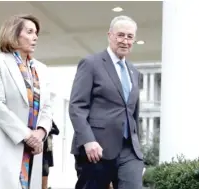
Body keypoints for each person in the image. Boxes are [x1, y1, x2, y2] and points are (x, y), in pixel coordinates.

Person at [69, 15, 144, 189]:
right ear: (109, 35)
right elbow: (77, 106)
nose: (125, 41)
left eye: (130, 36)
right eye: (120, 35)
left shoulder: (134, 71)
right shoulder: (91, 64)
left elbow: (133, 112)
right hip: (96, 148)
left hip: (128, 150)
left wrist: (138, 147)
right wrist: (88, 141)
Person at [0, 14, 52, 189]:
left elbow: (47, 107)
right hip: (7, 143)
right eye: (30, 32)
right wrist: (27, 135)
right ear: (14, 34)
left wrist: (40, 133)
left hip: (33, 149)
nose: (35, 37)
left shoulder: (41, 69)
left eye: (36, 33)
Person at [42, 121, 59, 189]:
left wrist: (46, 130)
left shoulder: (49, 119)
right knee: (42, 169)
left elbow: (57, 131)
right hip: (37, 148)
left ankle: (44, 187)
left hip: (47, 150)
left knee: (46, 170)